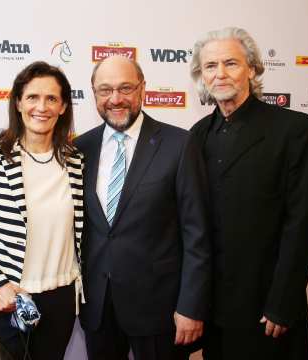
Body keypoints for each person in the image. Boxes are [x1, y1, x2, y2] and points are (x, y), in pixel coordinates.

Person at [189, 27, 308, 360]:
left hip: (266, 309)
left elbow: (301, 223)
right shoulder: (196, 135)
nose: (220, 74)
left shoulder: (293, 129)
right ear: (201, 76)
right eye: (210, 66)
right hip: (214, 309)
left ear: (251, 68)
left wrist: (283, 303)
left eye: (230, 63)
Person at [74, 55, 211, 360]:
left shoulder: (180, 144)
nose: (116, 99)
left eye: (125, 88)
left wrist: (191, 306)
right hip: (98, 308)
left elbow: (197, 234)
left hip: (160, 311)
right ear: (94, 93)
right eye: (105, 90)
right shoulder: (80, 149)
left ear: (142, 89)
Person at [0, 61, 84, 360]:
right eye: (32, 97)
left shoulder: (76, 162)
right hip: (4, 299)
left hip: (59, 300)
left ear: (64, 106)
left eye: (52, 98)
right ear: (18, 103)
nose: (42, 106)